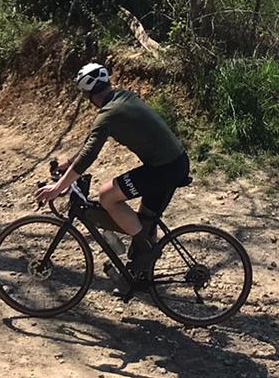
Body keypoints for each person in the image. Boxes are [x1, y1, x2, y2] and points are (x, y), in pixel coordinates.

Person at [36, 62, 190, 282]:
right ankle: (141, 272)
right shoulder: (122, 97)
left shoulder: (108, 113)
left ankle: (146, 248)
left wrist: (56, 188)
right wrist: (68, 163)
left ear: (88, 94)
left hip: (164, 169)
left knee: (107, 195)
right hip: (172, 163)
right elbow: (92, 140)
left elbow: (89, 156)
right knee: (145, 220)